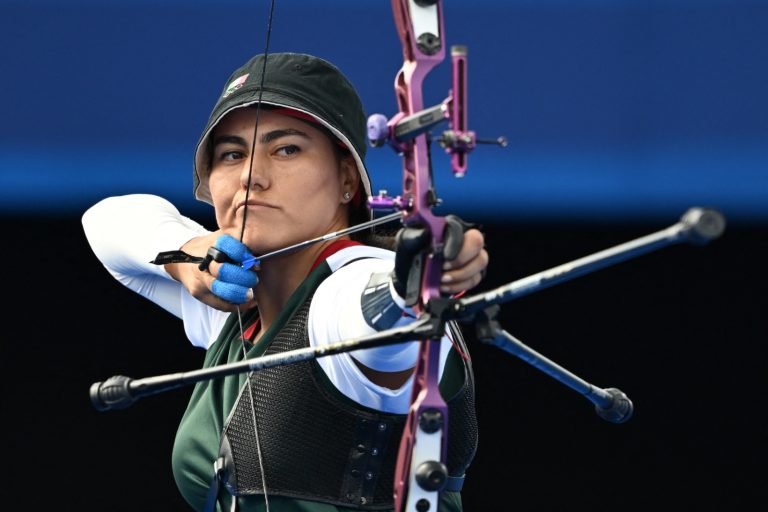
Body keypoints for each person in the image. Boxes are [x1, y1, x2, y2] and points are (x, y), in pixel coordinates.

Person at [82, 52, 488, 512]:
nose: (251, 176)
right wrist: (185, 256)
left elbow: (376, 320)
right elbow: (104, 222)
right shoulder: (234, 305)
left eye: (287, 149)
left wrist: (417, 281)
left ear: (347, 182)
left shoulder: (346, 292)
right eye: (232, 154)